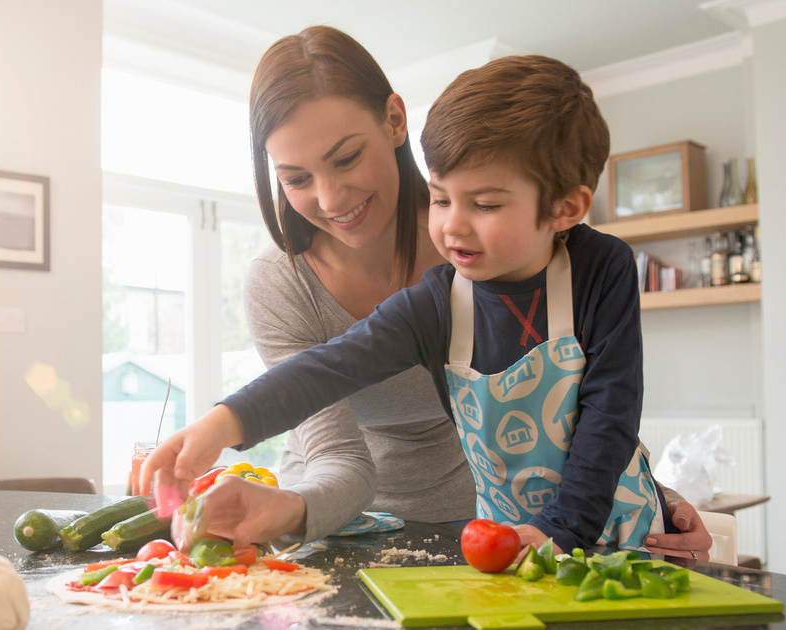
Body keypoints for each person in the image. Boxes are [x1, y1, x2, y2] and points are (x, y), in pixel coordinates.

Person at [149, 27, 711, 558]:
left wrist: (604, 507)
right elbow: (329, 368)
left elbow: (607, 414)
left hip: (569, 530)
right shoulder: (438, 298)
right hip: (466, 535)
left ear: (565, 208)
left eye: (484, 204)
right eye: (441, 198)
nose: (453, 228)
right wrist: (220, 424)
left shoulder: (600, 265)